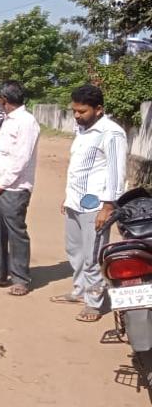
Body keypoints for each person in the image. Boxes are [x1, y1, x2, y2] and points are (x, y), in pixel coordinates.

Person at [52, 84, 127, 322]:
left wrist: (107, 207)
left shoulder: (111, 133)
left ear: (98, 109)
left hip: (96, 206)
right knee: (74, 251)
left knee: (93, 255)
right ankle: (80, 291)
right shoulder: (83, 130)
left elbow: (116, 173)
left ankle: (94, 303)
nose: (76, 115)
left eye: (82, 111)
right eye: (74, 110)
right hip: (76, 202)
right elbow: (79, 169)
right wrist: (68, 196)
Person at [0, 81, 40, 296]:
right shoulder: (9, 120)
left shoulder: (26, 121)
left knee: (16, 232)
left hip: (13, 187)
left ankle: (21, 278)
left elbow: (21, 158)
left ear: (4, 99)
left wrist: (1, 183)